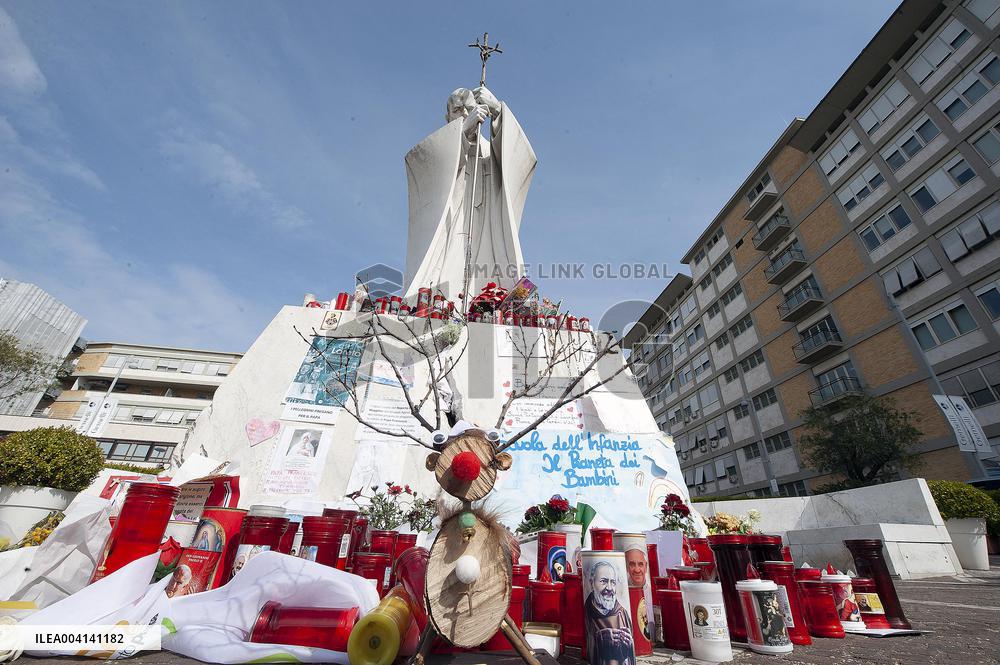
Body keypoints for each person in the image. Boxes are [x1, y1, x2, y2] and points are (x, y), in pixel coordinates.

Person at [403, 85, 536, 301]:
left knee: (491, 281)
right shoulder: (437, 151)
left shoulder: (492, 151)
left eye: (470, 109)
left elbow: (523, 161)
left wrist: (498, 112)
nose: (466, 113)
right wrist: (463, 131)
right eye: (458, 110)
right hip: (450, 231)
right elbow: (420, 164)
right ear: (448, 116)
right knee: (441, 285)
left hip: (488, 232)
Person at [585, 561, 634, 665]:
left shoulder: (622, 613)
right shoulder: (587, 611)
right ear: (591, 583)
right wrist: (601, 639)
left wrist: (629, 644)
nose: (609, 588)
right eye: (604, 581)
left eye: (613, 582)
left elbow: (631, 657)